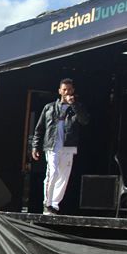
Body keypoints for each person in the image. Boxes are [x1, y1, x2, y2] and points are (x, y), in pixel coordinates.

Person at [30, 78, 90, 215]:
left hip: (68, 145)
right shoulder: (49, 107)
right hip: (52, 145)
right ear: (59, 91)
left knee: (64, 176)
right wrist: (35, 146)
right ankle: (47, 203)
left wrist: (74, 105)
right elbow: (39, 129)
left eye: (69, 89)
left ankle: (54, 205)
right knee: (52, 172)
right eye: (64, 90)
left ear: (73, 90)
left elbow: (84, 121)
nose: (67, 92)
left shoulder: (77, 107)